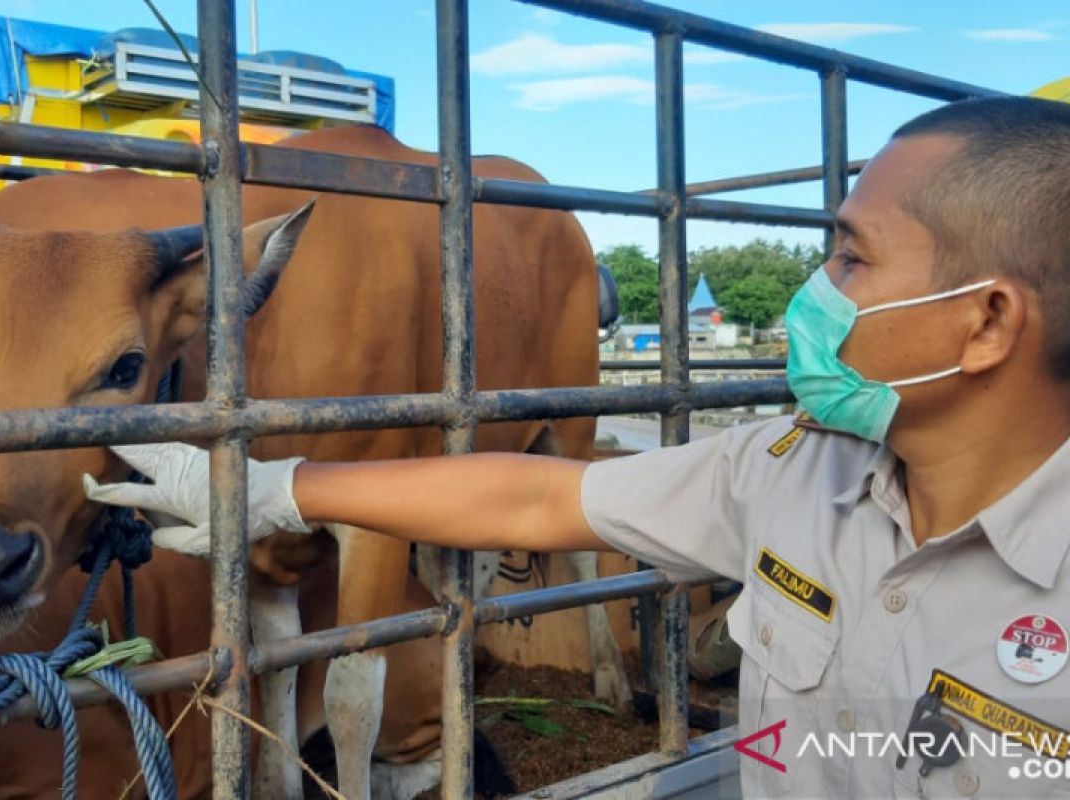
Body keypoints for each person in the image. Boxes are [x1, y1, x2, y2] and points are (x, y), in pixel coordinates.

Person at [85, 96, 1070, 798]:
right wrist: (275, 487)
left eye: (851, 256)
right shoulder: (786, 468)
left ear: (985, 321)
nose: (816, 289)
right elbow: (540, 500)